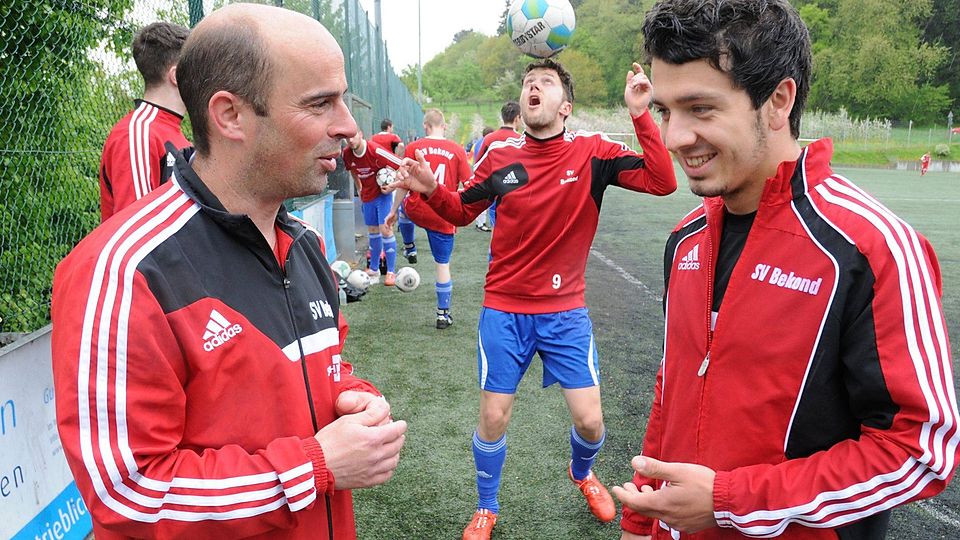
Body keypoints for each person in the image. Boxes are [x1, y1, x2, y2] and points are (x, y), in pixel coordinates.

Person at [51, 5, 407, 539]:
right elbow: (129, 496)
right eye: (320, 103)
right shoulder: (125, 272)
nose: (347, 125)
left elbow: (312, 376)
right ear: (230, 116)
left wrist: (352, 397)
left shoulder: (304, 245)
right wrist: (314, 465)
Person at [614, 1, 959, 539]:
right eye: (665, 111)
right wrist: (640, 519)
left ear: (778, 101)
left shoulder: (872, 248)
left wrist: (732, 502)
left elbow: (919, 451)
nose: (675, 136)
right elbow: (672, 390)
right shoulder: (685, 240)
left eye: (700, 108)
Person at [394, 58, 677, 540]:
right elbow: (462, 211)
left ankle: (581, 471)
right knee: (493, 415)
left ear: (565, 105)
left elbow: (662, 180)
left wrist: (639, 112)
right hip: (504, 309)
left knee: (590, 423)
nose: (533, 88)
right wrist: (428, 190)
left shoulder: (592, 152)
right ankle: (487, 506)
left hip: (566, 313)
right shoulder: (502, 158)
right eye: (528, 83)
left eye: (544, 83)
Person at [386, 108, 472, 329]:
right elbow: (469, 186)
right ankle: (443, 314)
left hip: (417, 209)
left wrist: (393, 210)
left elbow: (404, 184)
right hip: (443, 214)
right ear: (444, 126)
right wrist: (457, 213)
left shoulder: (414, 147)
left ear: (425, 126)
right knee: (442, 265)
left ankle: (409, 246)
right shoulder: (457, 150)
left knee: (406, 209)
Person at [98, 21, 191, 221]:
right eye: (193, 68)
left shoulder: (175, 133)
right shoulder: (137, 134)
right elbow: (137, 225)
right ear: (176, 75)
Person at [342, 130, 403, 285]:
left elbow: (401, 165)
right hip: (367, 196)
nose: (350, 140)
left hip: (383, 195)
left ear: (361, 134)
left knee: (385, 229)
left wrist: (392, 186)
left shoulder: (375, 150)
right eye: (347, 138)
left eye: (353, 135)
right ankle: (374, 269)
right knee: (373, 232)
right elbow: (353, 172)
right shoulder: (347, 154)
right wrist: (359, 189)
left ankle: (390, 272)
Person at [476, 101, 523, 230]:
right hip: (514, 191)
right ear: (517, 118)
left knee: (496, 228)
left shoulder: (489, 138)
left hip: (493, 189)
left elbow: (478, 165)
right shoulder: (521, 139)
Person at [470, 127, 496, 232]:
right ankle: (480, 224)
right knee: (485, 200)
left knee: (482, 199)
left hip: (479, 173)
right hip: (484, 174)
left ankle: (480, 223)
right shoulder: (485, 143)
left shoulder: (479, 143)